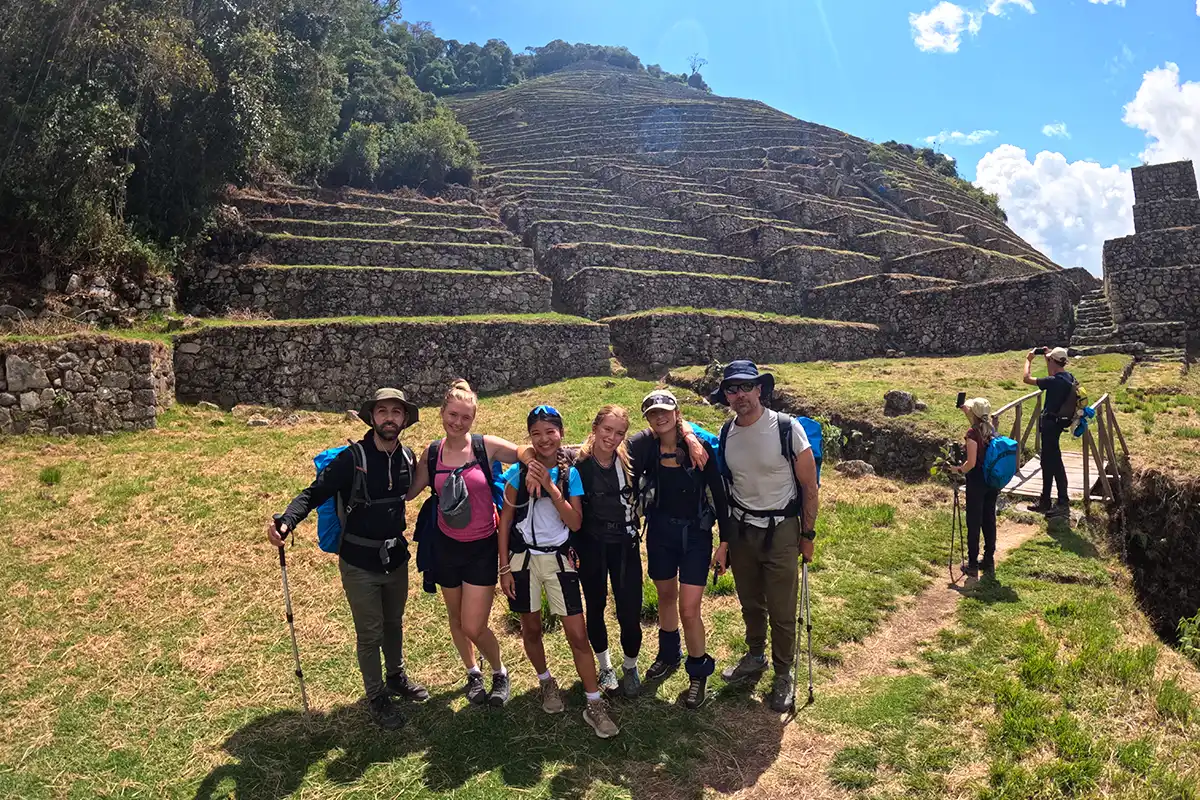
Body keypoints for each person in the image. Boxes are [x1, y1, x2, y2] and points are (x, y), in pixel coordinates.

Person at [268, 388, 430, 731]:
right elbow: (314, 493)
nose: (390, 418)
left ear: (404, 420)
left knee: (394, 622)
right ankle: (376, 696)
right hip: (358, 561)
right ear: (371, 418)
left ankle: (396, 677)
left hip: (395, 558)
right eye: (383, 411)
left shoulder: (407, 457)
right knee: (370, 632)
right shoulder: (352, 458)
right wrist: (286, 520)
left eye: (396, 412)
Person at [406, 379, 536, 708]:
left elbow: (522, 451)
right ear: (442, 413)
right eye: (452, 414)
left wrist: (532, 463)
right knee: (455, 617)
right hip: (445, 546)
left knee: (473, 624)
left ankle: (499, 671)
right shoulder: (432, 453)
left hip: (481, 547)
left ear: (473, 418)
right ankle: (472, 671)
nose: (457, 422)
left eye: (465, 417)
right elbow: (409, 491)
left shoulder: (484, 446)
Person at [498, 404, 620, 738]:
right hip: (523, 562)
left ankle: (594, 702)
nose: (543, 439)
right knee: (531, 627)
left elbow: (575, 521)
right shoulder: (516, 475)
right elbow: (505, 522)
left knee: (577, 635)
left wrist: (551, 489)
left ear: (561, 433)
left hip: (559, 561)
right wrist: (504, 568)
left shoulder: (570, 475)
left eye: (550, 432)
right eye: (536, 433)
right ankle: (545, 682)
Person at [708, 360, 820, 713]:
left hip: (782, 530)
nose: (739, 395)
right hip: (742, 530)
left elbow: (809, 486)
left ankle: (784, 674)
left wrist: (808, 534)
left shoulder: (786, 428)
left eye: (745, 387)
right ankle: (756, 655)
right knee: (750, 600)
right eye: (731, 388)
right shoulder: (727, 433)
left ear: (760, 389)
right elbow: (727, 488)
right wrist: (725, 541)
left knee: (783, 608)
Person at [628, 389, 732, 709]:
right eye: (652, 413)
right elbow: (604, 447)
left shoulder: (698, 447)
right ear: (647, 418)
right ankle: (669, 654)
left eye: (665, 411)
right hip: (659, 532)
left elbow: (720, 494)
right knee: (664, 597)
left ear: (676, 412)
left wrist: (725, 543)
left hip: (696, 536)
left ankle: (698, 672)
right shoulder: (645, 446)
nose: (660, 417)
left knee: (689, 609)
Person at [572, 405, 645, 698]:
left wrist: (690, 436)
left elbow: (675, 428)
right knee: (596, 607)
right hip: (592, 546)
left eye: (619, 433)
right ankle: (604, 666)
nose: (612, 437)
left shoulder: (630, 461)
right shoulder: (578, 466)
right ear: (595, 428)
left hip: (625, 545)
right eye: (606, 430)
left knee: (630, 610)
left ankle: (630, 665)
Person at [1022, 346, 1076, 516]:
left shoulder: (1054, 382)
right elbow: (1052, 373)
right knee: (1047, 462)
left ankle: (1062, 502)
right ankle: (1045, 500)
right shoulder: (1067, 377)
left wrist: (1028, 360)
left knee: (1055, 464)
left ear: (1053, 361)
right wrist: (1048, 356)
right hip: (1057, 424)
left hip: (1051, 425)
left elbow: (1026, 379)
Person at [949, 397, 998, 578]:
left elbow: (970, 463)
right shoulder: (991, 429)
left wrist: (956, 469)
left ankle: (972, 564)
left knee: (974, 521)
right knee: (988, 519)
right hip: (991, 481)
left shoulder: (972, 434)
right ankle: (989, 560)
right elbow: (976, 419)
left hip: (976, 481)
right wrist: (966, 410)